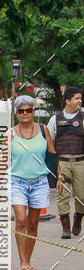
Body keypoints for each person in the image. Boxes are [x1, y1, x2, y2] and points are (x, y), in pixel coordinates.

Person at [10, 95, 59, 270]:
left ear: (33, 112)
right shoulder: (10, 133)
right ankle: (23, 262)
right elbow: (2, 162)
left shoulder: (43, 129)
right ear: (16, 113)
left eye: (28, 110)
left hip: (39, 182)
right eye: (21, 111)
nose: (25, 113)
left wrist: (59, 178)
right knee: (20, 220)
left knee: (32, 223)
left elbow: (52, 154)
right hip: (17, 182)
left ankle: (27, 259)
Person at [47, 86, 84, 238]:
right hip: (62, 162)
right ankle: (65, 228)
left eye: (81, 98)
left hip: (80, 161)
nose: (80, 101)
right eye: (76, 98)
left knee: (81, 196)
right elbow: (49, 142)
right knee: (62, 194)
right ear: (68, 101)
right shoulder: (55, 119)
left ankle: (78, 218)